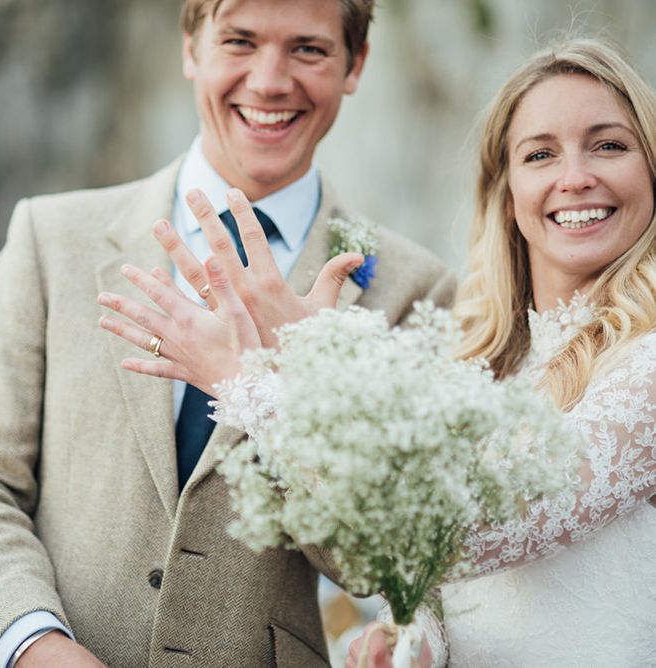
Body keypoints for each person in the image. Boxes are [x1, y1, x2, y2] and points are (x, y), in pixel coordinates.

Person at [0, 1, 456, 666]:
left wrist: (286, 391)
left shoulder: (411, 291)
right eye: (239, 41)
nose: (269, 80)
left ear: (357, 65)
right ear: (190, 48)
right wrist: (31, 642)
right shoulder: (51, 237)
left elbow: (384, 562)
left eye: (308, 50)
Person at [100, 38, 656, 667]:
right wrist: (412, 637)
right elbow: (442, 579)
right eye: (540, 154)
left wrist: (256, 378)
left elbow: (474, 529)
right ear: (506, 192)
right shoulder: (478, 362)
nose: (575, 176)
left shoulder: (650, 364)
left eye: (609, 145)